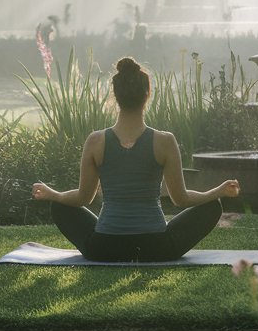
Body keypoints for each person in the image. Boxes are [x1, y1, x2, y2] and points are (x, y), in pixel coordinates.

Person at [31, 56, 240, 262]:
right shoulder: (164, 141)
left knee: (59, 205)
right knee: (212, 207)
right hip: (156, 248)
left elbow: (83, 198)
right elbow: (181, 199)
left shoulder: (96, 141)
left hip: (104, 248)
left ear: (115, 95)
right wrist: (217, 192)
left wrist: (53, 194)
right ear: (147, 94)